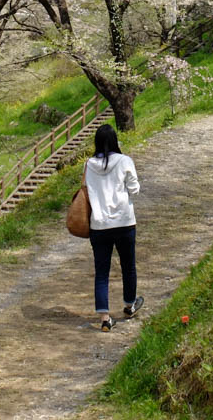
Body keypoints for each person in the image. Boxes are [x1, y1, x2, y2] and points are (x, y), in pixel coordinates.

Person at [84, 123, 143, 331]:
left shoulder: (89, 164)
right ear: (115, 140)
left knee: (102, 272)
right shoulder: (125, 161)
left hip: (98, 225)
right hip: (124, 222)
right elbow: (134, 189)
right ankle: (129, 304)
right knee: (128, 265)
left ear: (97, 142)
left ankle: (105, 319)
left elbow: (87, 190)